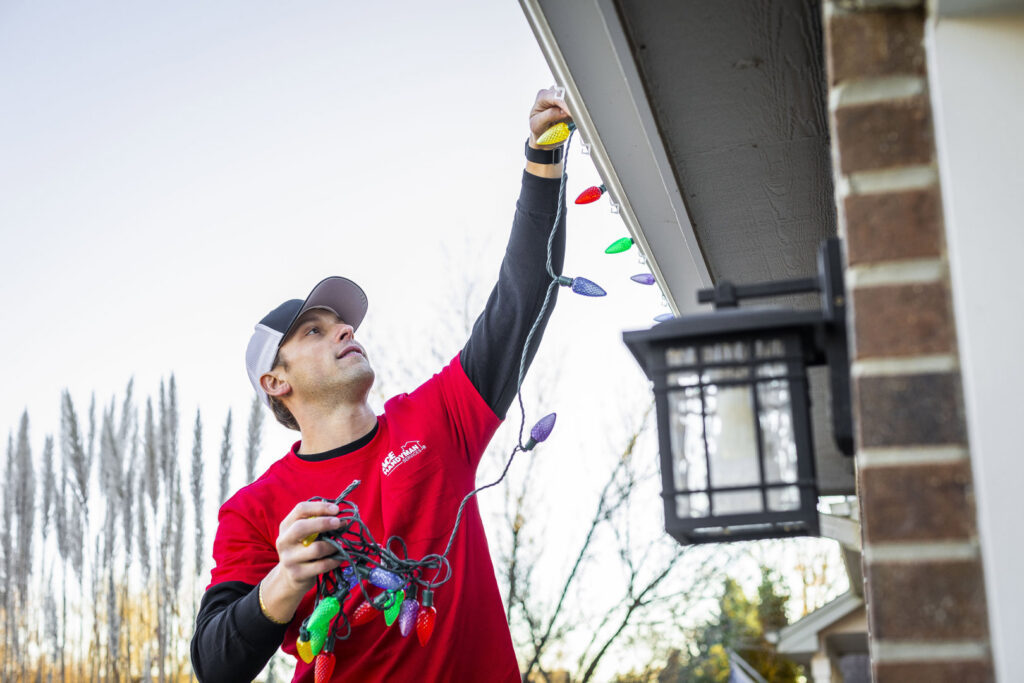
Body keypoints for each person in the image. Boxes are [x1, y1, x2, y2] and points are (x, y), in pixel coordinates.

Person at [190, 89, 572, 682]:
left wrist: (542, 163)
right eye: (313, 331)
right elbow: (214, 665)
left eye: (341, 321)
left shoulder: (437, 419)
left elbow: (522, 300)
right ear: (276, 381)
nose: (343, 328)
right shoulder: (256, 511)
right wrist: (285, 579)